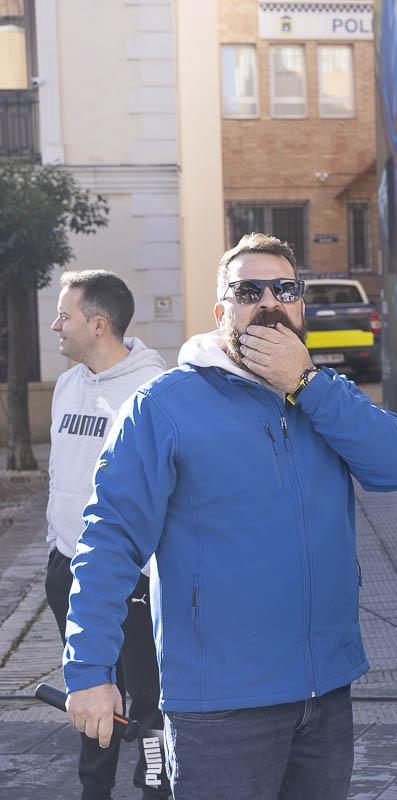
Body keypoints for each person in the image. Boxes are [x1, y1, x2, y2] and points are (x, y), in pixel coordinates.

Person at [61, 233, 397, 800]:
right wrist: (88, 671)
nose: (269, 301)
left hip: (324, 695)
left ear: (301, 303)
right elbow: (109, 542)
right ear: (219, 310)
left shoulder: (323, 396)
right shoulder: (163, 406)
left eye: (284, 288)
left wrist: (306, 384)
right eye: (248, 290)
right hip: (220, 707)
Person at [45, 270, 169, 800]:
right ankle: (94, 790)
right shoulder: (69, 384)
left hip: (133, 579)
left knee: (148, 703)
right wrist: (57, 550)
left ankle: (157, 788)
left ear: (98, 325)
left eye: (64, 316)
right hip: (68, 567)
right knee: (92, 691)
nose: (55, 326)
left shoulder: (153, 390)